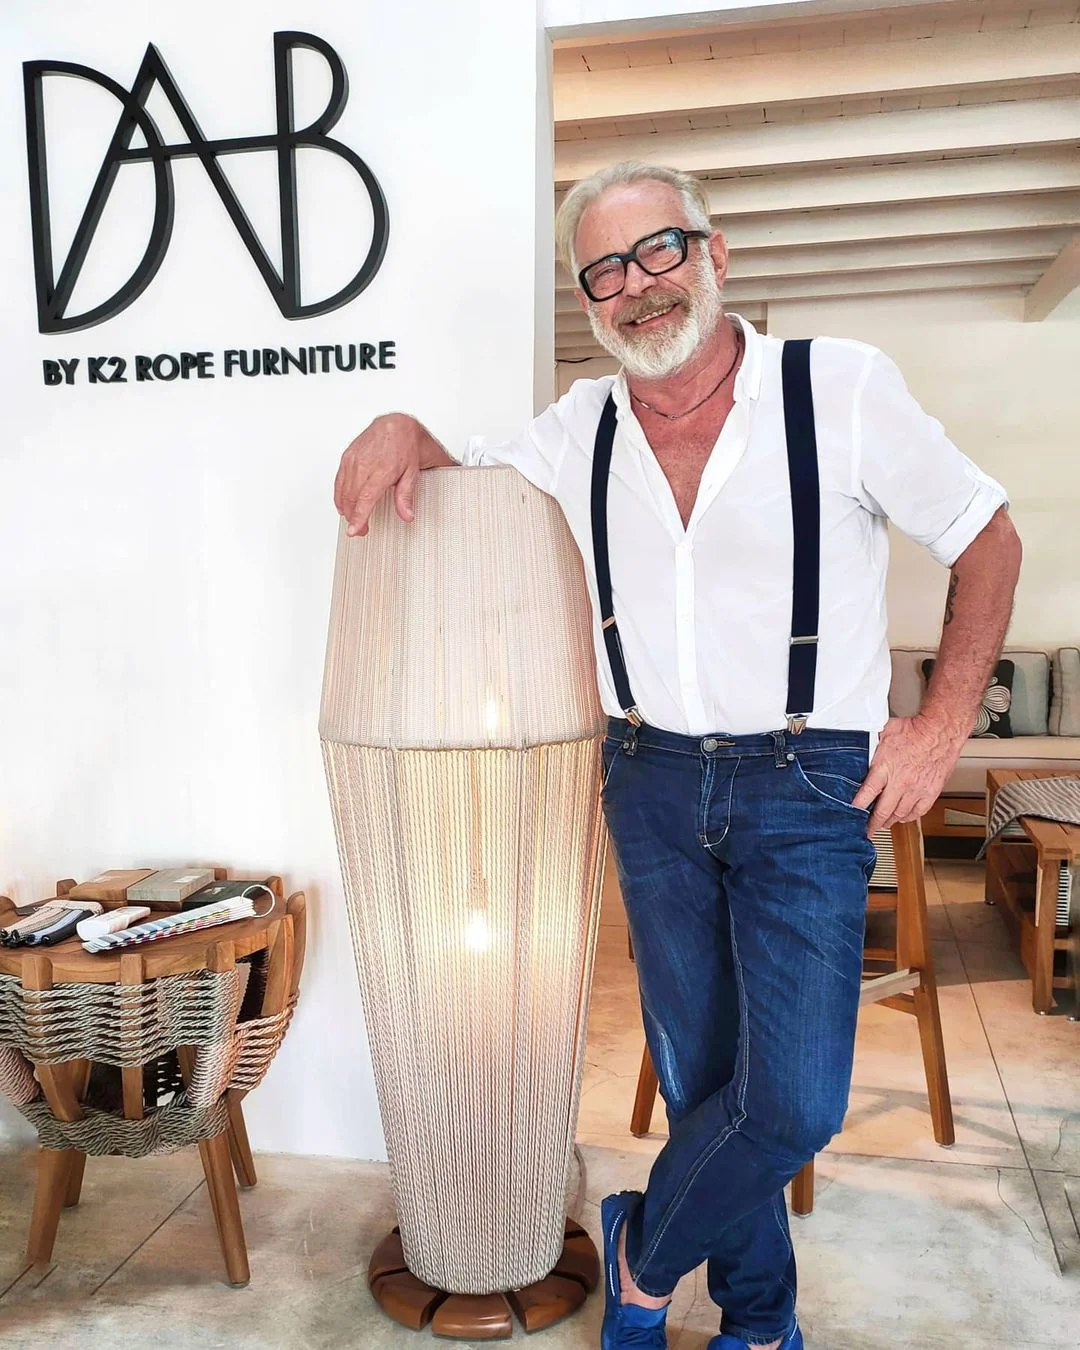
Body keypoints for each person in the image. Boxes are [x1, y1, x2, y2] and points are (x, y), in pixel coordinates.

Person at [333, 161, 1022, 1350]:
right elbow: (459, 474)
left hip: (808, 779)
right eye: (605, 269)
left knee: (791, 1103)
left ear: (713, 253)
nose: (637, 284)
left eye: (659, 249)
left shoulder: (840, 388)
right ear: (587, 299)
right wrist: (400, 427)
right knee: (704, 1078)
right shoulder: (578, 427)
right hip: (647, 779)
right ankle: (759, 1323)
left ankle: (642, 1257)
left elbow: (989, 540)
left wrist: (941, 726)